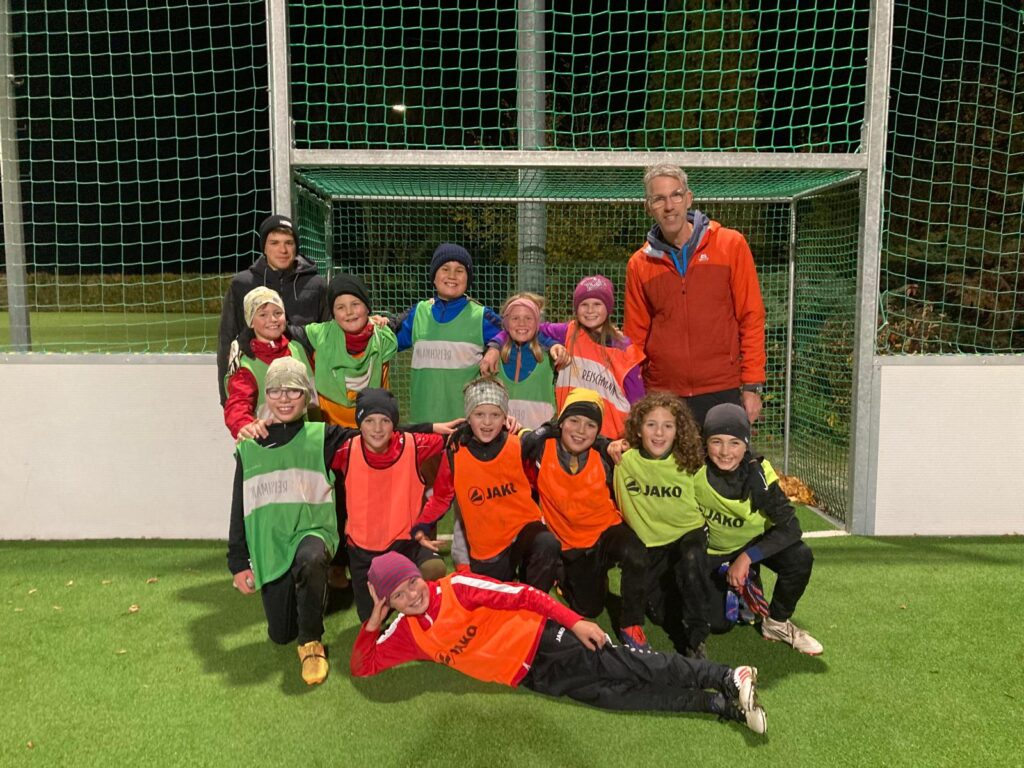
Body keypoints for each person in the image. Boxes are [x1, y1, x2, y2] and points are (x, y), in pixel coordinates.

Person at [349, 552, 767, 734]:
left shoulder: (457, 587)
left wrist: (576, 621)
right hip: (533, 677)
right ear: (390, 603)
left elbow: (525, 595)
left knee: (634, 666)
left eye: (410, 583)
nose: (411, 595)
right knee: (622, 697)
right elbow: (362, 666)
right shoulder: (407, 634)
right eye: (397, 595)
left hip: (549, 639)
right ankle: (720, 706)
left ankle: (727, 676)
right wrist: (373, 623)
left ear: (418, 575)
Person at [624, 165, 766, 428]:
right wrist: (635, 395)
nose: (669, 206)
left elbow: (751, 317)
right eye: (659, 199)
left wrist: (752, 384)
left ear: (689, 198)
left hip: (723, 387)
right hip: (663, 393)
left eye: (676, 195)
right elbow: (635, 337)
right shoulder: (639, 264)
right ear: (648, 207)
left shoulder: (730, 245)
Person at [226, 357, 337, 686]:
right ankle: (307, 593)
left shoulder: (323, 437)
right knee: (280, 634)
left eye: (294, 391)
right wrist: (238, 563)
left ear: (307, 396)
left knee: (311, 558)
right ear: (266, 395)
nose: (284, 398)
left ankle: (311, 642)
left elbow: (376, 433)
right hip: (270, 545)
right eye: (276, 390)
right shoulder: (249, 446)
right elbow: (239, 505)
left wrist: (430, 430)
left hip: (311, 533)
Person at [521, 388, 651, 651]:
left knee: (636, 553)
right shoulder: (540, 448)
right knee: (589, 608)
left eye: (590, 425)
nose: (581, 431)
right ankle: (563, 573)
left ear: (598, 431)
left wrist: (618, 444)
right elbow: (517, 437)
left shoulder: (606, 454)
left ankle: (630, 624)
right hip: (571, 544)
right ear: (561, 423)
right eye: (574, 421)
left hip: (607, 531)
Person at [411, 377, 560, 592]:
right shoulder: (455, 453)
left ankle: (533, 600)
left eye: (495, 415)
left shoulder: (518, 444)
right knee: (492, 604)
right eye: (479, 414)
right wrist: (422, 526)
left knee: (546, 544)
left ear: (505, 417)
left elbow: (542, 483)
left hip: (523, 530)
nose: (487, 422)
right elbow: (441, 498)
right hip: (487, 548)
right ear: (468, 417)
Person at [696, 403, 823, 656]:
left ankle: (776, 623)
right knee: (718, 625)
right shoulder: (692, 467)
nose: (725, 452)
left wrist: (747, 557)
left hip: (750, 545)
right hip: (713, 550)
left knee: (799, 556)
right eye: (716, 441)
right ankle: (741, 581)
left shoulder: (760, 475)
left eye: (735, 443)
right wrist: (619, 446)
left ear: (746, 444)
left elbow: (791, 528)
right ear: (705, 442)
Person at [333, 388, 447, 620]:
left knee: (434, 569)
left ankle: (421, 616)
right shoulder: (344, 449)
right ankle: (392, 600)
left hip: (405, 545)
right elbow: (301, 440)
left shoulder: (415, 445)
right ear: (359, 424)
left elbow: (460, 436)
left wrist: (511, 426)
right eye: (369, 421)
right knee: (372, 620)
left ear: (394, 424)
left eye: (385, 421)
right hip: (363, 552)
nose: (377, 428)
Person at [613, 393, 711, 659]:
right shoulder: (623, 460)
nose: (659, 433)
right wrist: (608, 445)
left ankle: (696, 641)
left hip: (686, 539)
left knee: (693, 562)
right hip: (650, 547)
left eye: (668, 426)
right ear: (638, 429)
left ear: (678, 431)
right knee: (661, 616)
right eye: (651, 425)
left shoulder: (690, 463)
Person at [217, 214, 328, 405]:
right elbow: (226, 339)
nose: (282, 250)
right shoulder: (242, 284)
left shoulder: (317, 285)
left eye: (288, 243)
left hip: (303, 385)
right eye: (274, 243)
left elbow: (329, 338)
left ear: (296, 246)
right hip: (258, 381)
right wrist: (225, 396)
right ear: (264, 248)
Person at [390, 243, 503, 423]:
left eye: (459, 270)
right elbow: (385, 341)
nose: (452, 275)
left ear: (468, 279)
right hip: (424, 424)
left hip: (465, 425)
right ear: (434, 277)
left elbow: (514, 333)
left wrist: (495, 347)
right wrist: (375, 324)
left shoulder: (481, 316)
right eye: (445, 269)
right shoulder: (418, 313)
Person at [293, 273, 398, 428]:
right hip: (330, 431)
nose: (349, 312)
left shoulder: (383, 336)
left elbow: (413, 321)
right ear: (333, 314)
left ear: (367, 307)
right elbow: (282, 330)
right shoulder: (320, 336)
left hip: (374, 430)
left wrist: (432, 303)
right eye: (340, 307)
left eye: (355, 304)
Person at [223, 287, 315, 440]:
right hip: (270, 444)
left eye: (278, 313)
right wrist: (244, 425)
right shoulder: (246, 366)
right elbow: (237, 405)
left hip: (309, 440)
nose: (272, 319)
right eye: (263, 315)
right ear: (250, 321)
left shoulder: (299, 348)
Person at [478, 292, 565, 429]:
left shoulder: (551, 354)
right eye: (515, 318)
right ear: (506, 323)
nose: (522, 323)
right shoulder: (493, 356)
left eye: (528, 318)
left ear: (537, 323)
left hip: (540, 434)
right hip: (502, 435)